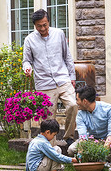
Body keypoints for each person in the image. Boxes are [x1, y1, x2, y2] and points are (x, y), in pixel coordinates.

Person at [23, 9, 77, 147]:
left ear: (49, 22)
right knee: (48, 118)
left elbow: (67, 56)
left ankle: (69, 136)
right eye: (39, 26)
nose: (43, 28)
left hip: (63, 79)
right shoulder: (29, 40)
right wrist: (27, 68)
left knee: (73, 105)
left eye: (45, 25)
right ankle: (50, 146)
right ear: (35, 25)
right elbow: (26, 61)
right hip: (44, 84)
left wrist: (72, 76)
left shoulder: (59, 34)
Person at [67, 86, 111, 161]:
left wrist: (103, 151)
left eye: (77, 100)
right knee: (71, 150)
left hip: (107, 140)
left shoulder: (109, 109)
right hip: (92, 141)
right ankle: (91, 162)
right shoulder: (80, 114)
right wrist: (80, 153)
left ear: (85, 101)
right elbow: (83, 136)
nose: (76, 102)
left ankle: (107, 161)